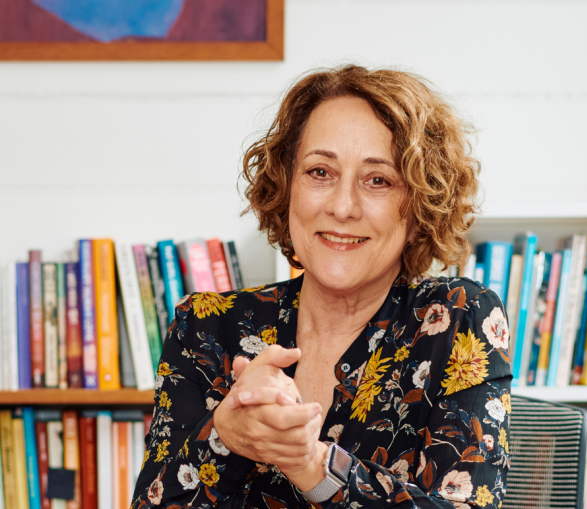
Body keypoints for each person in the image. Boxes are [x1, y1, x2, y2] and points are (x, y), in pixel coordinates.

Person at [131, 65, 513, 509]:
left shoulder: (459, 318)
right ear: (285, 186)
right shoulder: (206, 326)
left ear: (419, 207)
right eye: (319, 172)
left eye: (378, 181)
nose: (342, 206)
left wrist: (313, 466)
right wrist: (225, 436)